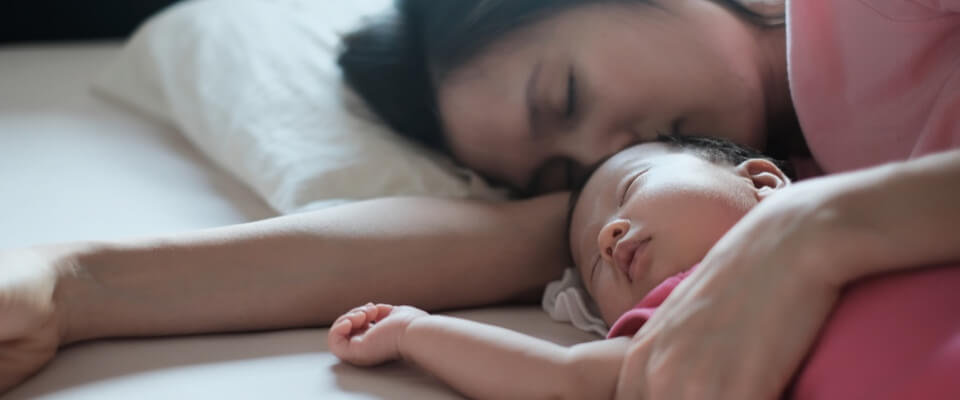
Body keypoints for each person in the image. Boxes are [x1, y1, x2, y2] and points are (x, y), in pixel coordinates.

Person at [2, 0, 959, 397]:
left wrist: (816, 229)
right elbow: (465, 243)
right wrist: (70, 283)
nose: (603, 156)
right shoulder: (693, 195)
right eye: (560, 176)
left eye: (565, 95)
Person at [328, 136, 959, 399]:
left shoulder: (895, 207)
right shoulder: (683, 317)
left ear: (763, 181)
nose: (609, 237)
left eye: (632, 188)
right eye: (592, 268)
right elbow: (566, 378)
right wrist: (414, 331)